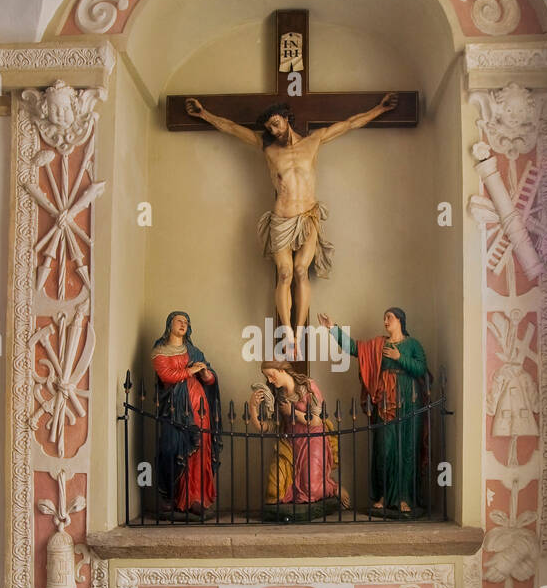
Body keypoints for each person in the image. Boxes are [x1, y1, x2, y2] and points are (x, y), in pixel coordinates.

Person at [184, 92, 398, 343]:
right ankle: (287, 331)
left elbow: (349, 124)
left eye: (275, 124)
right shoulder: (268, 148)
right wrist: (204, 114)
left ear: (286, 118)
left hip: (308, 216)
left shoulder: (314, 141)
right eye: (269, 128)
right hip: (281, 218)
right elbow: (231, 128)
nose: (273, 131)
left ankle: (299, 330)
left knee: (300, 271)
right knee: (284, 273)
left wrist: (379, 110)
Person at [319, 307, 431, 514]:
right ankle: (384, 495)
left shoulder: (413, 344)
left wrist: (399, 358)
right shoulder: (378, 344)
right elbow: (355, 348)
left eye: (389, 317)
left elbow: (421, 369)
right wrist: (332, 329)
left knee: (407, 449)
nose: (385, 321)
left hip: (409, 401)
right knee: (384, 449)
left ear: (400, 320)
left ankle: (405, 497)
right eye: (384, 318)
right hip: (385, 401)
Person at [248, 359, 349, 509]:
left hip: (313, 440)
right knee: (273, 492)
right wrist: (252, 408)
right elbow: (268, 427)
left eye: (271, 375)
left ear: (282, 370)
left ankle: (333, 488)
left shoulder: (307, 386)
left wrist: (292, 413)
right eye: (267, 376)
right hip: (290, 443)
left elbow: (317, 420)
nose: (269, 380)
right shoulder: (280, 395)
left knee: (311, 489)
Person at [152, 311, 221, 514]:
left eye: (186, 322)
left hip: (199, 408)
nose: (183, 324)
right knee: (170, 448)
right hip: (173, 408)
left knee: (200, 449)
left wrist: (206, 374)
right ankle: (173, 497)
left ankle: (196, 497)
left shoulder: (194, 351)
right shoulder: (160, 350)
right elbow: (166, 375)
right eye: (179, 320)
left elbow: (210, 380)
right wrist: (189, 371)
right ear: (169, 324)